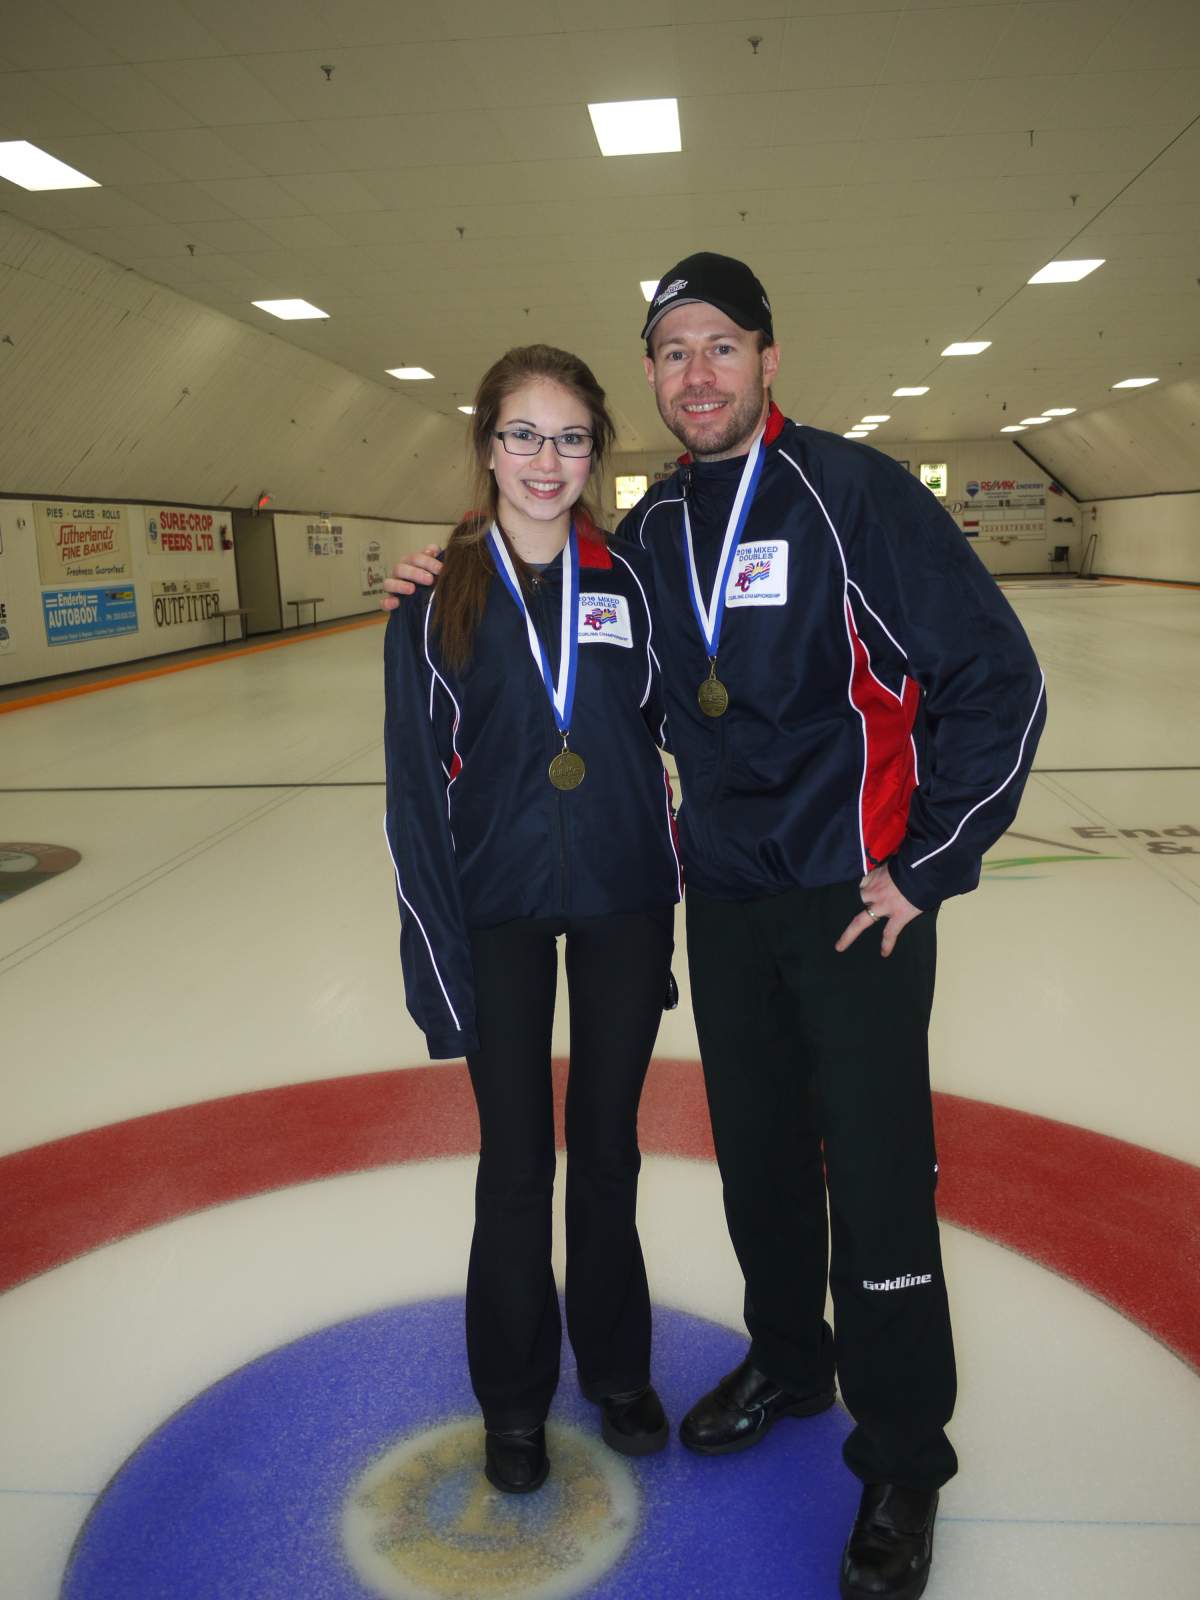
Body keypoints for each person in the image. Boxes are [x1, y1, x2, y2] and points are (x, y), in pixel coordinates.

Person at [383, 256, 1046, 1600]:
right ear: (651, 376)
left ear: (767, 357)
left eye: (721, 345)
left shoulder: (848, 492)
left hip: (852, 902)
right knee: (757, 1161)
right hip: (726, 903)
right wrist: (438, 568)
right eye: (673, 351)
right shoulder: (654, 533)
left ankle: (902, 1457)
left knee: (875, 1179)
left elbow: (996, 675)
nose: (698, 373)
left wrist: (927, 864)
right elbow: (556, 613)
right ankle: (791, 1362)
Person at [383, 344, 682, 1496]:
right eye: (523, 434)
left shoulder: (634, 582)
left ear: (596, 450)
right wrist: (438, 969)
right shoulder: (434, 600)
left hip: (622, 900)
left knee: (607, 1149)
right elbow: (416, 801)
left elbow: (681, 729)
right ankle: (513, 1399)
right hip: (495, 908)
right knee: (515, 1163)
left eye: (570, 438)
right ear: (487, 445)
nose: (546, 461)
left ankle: (617, 1370)